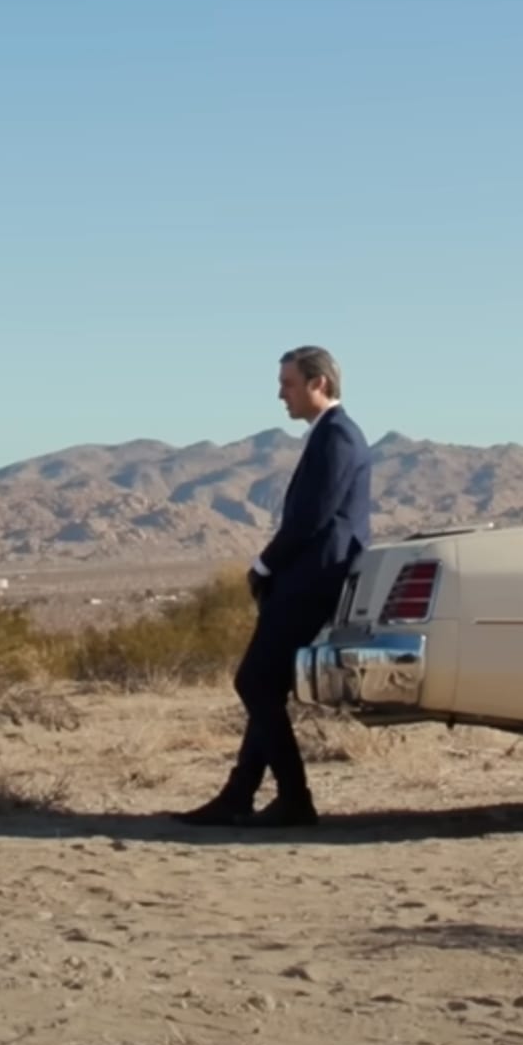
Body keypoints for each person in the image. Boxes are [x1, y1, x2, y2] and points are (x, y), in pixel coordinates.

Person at [176, 345, 371, 829]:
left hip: (313, 580)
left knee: (255, 682)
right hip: (306, 578)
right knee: (266, 685)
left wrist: (263, 567)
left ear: (317, 384)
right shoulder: (329, 436)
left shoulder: (338, 438)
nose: (280, 394)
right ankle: (240, 794)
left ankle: (293, 799)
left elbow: (310, 519)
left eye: (287, 383)